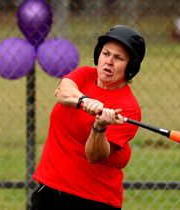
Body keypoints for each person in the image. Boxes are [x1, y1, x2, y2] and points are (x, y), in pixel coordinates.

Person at [31, 25, 146, 210]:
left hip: (92, 199)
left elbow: (94, 155)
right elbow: (62, 92)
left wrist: (99, 126)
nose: (109, 61)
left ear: (131, 66)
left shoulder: (128, 107)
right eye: (106, 53)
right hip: (49, 190)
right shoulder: (85, 75)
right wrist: (85, 101)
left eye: (118, 58)